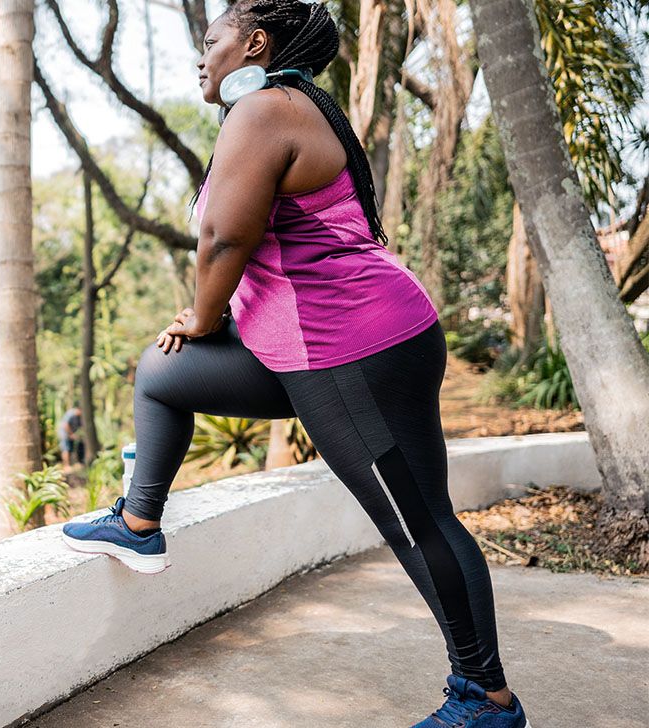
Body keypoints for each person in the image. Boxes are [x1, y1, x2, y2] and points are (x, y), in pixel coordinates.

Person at [59, 3, 530, 727]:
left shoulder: (269, 109)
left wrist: (204, 315)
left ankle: (486, 697)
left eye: (209, 41)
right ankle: (138, 519)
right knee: (162, 373)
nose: (200, 56)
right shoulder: (285, 107)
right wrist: (208, 327)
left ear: (255, 43)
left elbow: (224, 239)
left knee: (420, 523)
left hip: (356, 350)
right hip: (310, 349)